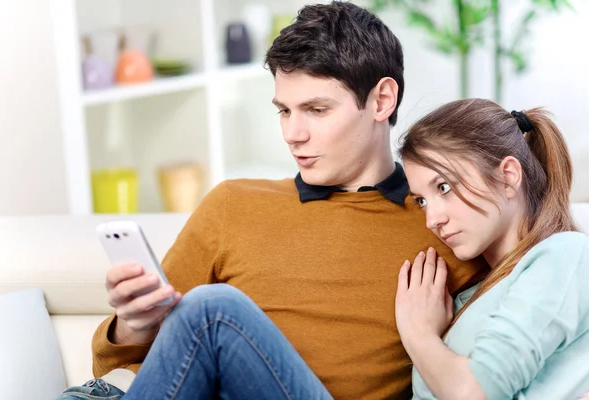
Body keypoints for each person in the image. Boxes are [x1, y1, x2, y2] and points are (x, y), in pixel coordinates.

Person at [56, 2, 488, 400]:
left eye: (316, 110)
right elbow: (124, 370)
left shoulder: (446, 223)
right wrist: (133, 324)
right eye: (284, 111)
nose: (292, 134)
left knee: (211, 310)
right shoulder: (233, 204)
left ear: (381, 100)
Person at [395, 98, 589, 399]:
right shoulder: (476, 292)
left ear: (507, 177)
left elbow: (475, 392)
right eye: (422, 200)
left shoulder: (564, 255)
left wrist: (418, 334)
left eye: (444, 187)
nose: (432, 220)